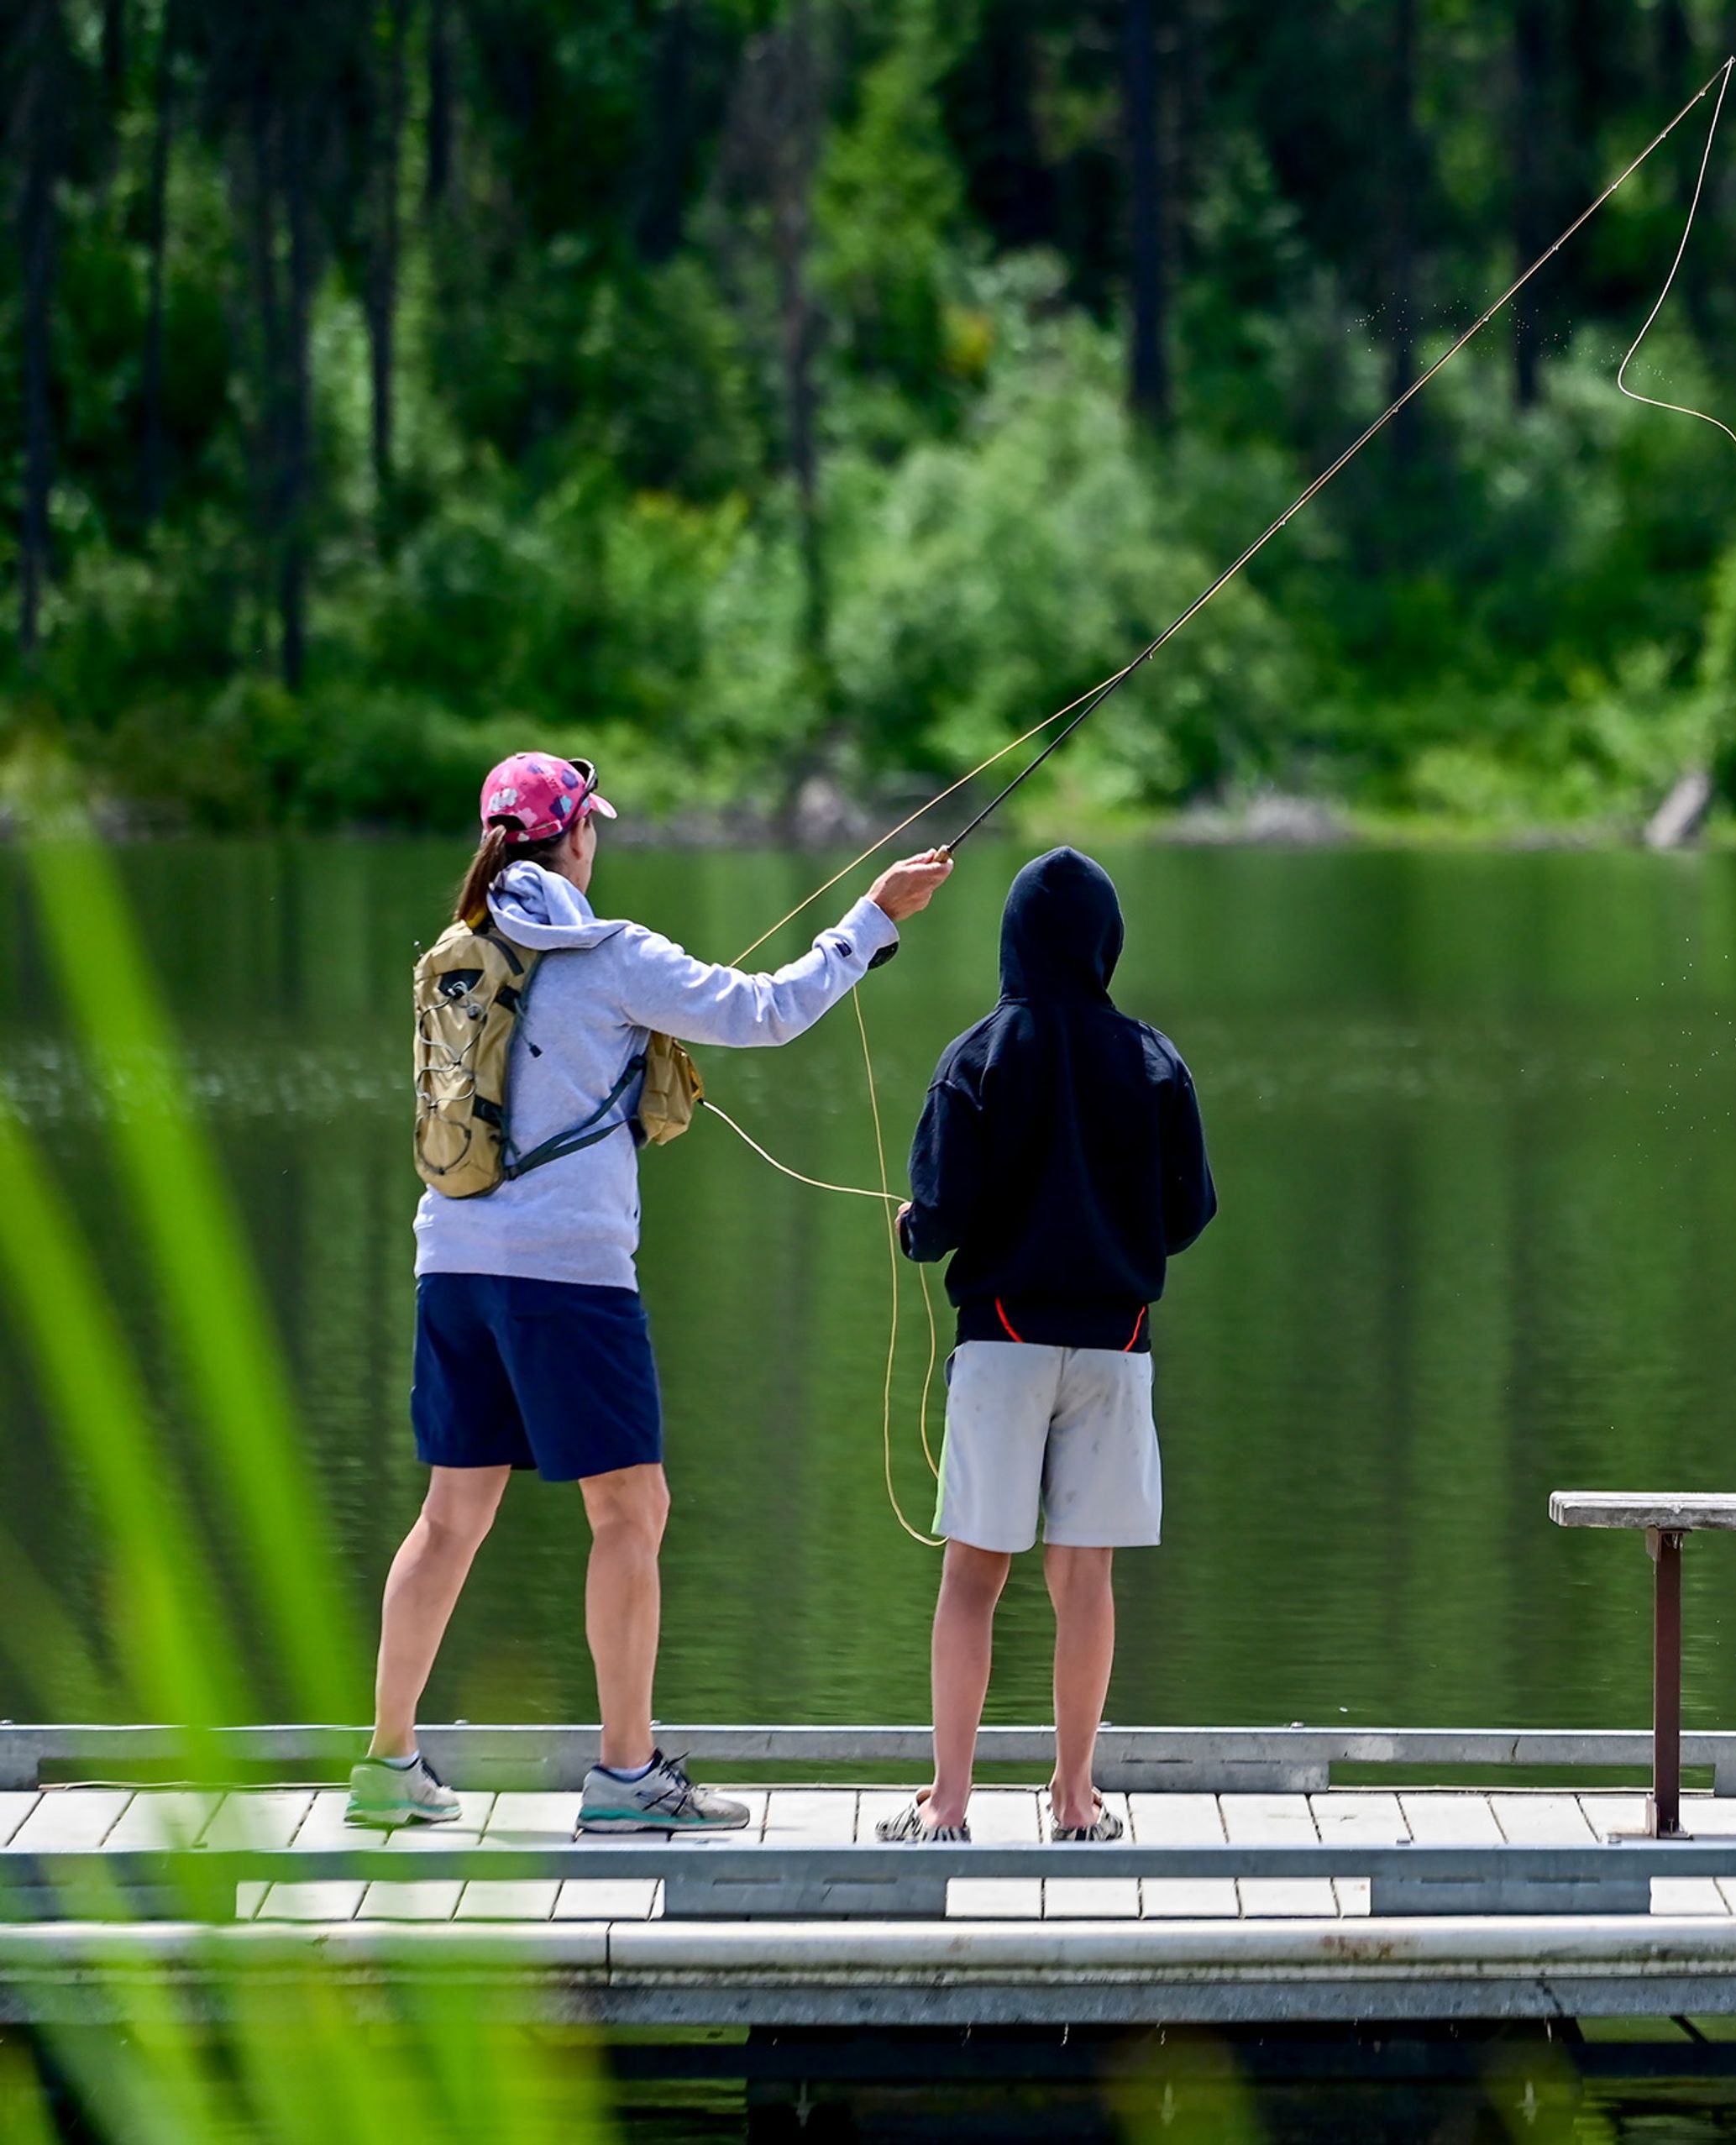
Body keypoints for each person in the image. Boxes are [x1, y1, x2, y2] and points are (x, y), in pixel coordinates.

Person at [350, 750, 953, 1832]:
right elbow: (769, 1010)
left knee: (448, 1518)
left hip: (450, 1266)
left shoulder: (453, 954)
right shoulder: (612, 952)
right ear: (572, 838)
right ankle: (627, 1776)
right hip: (568, 1280)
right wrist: (872, 916)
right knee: (631, 1509)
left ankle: (388, 1764)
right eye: (594, 829)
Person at [882, 848, 1214, 1843]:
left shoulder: (976, 1056)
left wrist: (910, 1231)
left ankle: (948, 1803)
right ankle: (1075, 1798)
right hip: (1114, 1351)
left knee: (973, 1576)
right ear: (1106, 944)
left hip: (1004, 1349)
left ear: (1012, 939)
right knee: (1085, 1581)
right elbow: (1189, 1212)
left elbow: (938, 1215)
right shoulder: (1154, 1059)